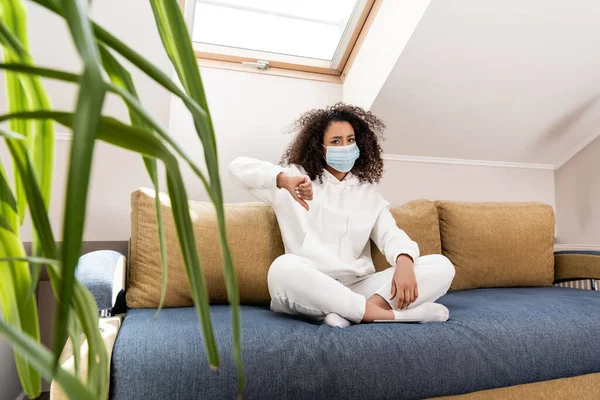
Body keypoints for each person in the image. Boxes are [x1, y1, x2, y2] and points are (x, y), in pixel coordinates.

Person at [229, 103, 455, 328]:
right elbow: (236, 168)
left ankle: (355, 311)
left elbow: (390, 235)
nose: (345, 146)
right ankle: (388, 315)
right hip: (312, 286)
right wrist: (283, 179)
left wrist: (404, 262)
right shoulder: (294, 179)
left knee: (441, 266)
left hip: (359, 285)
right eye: (336, 141)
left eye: (350, 140)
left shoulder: (367, 192)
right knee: (283, 268)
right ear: (320, 147)